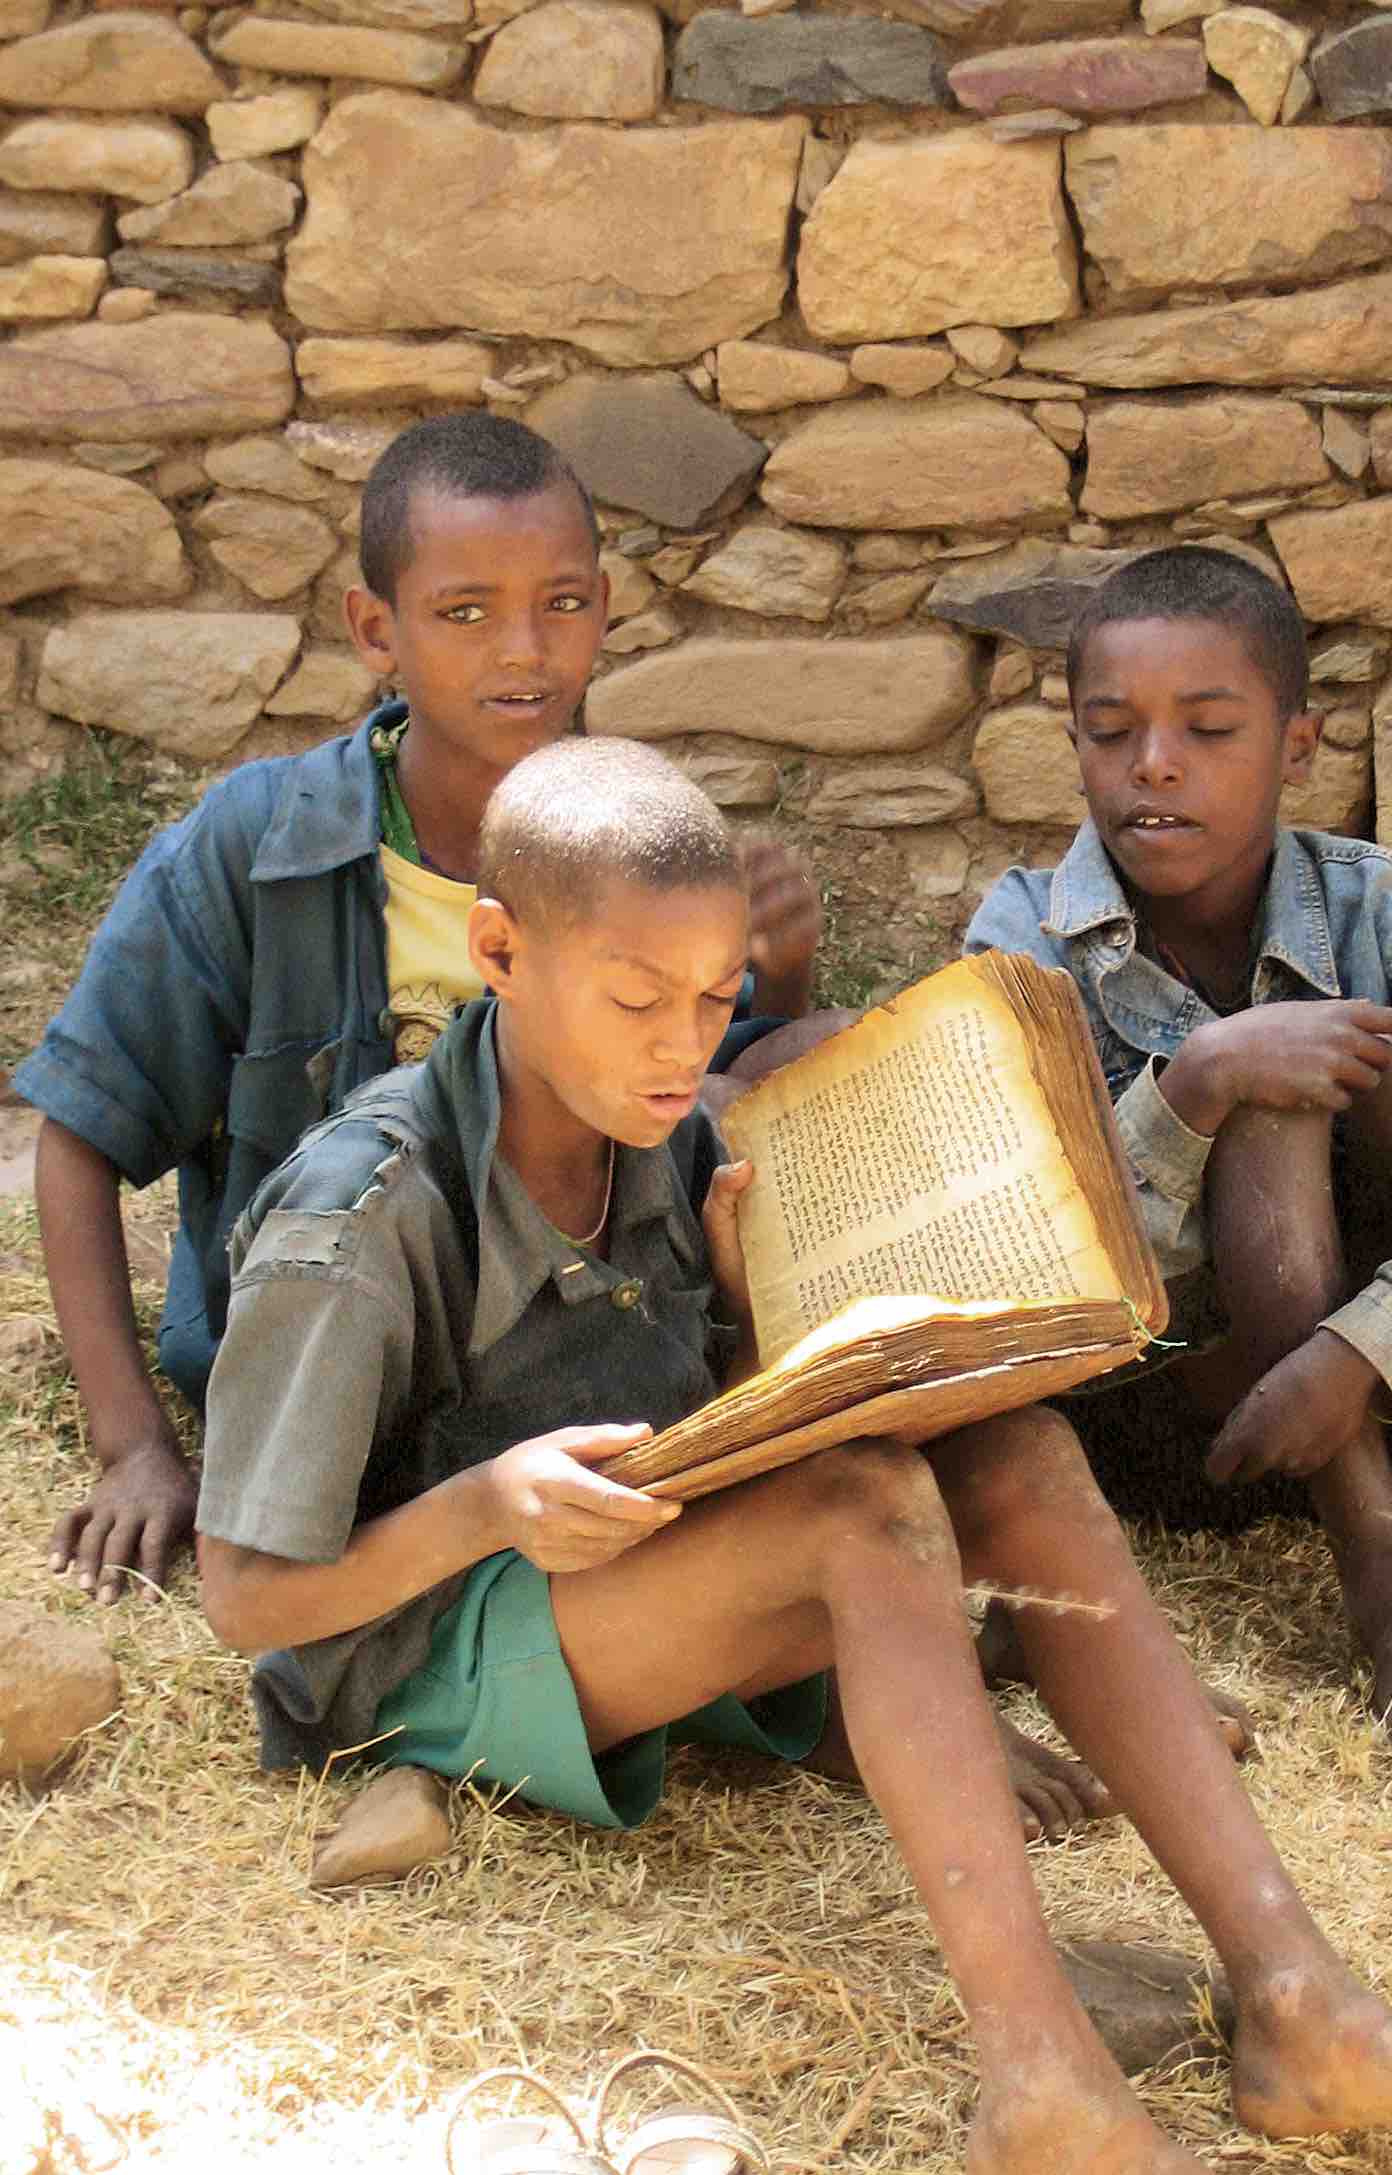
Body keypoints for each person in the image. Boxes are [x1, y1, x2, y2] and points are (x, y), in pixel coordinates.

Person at [196, 739, 1392, 2175]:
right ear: (498, 950)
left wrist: (742, 1321)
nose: (681, 1043)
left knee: (1019, 1452)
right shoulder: (361, 1211)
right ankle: (1046, 2103)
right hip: (420, 1643)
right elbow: (249, 1601)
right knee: (861, 1511)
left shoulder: (665, 1130)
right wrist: (483, 1512)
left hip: (622, 1574)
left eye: (717, 999)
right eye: (637, 998)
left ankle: (1301, 2004)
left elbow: (693, 1422)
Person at [13, 411, 823, 1608]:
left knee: (813, 1063)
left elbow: (699, 1086)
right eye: (464, 612)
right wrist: (136, 1444)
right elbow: (78, 1140)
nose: (523, 652)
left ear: (606, 607)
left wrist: (785, 981)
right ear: (374, 631)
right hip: (353, 1357)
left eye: (561, 604)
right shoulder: (257, 848)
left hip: (574, 1340)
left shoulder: (627, 837)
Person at [967, 546, 1392, 1800]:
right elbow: (1014, 1225)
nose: (1153, 763)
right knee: (1265, 1089)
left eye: (1208, 728)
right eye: (1111, 731)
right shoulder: (1023, 943)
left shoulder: (1387, 910)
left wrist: (1365, 1349)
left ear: (1299, 745)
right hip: (1185, 1416)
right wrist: (1193, 1087)